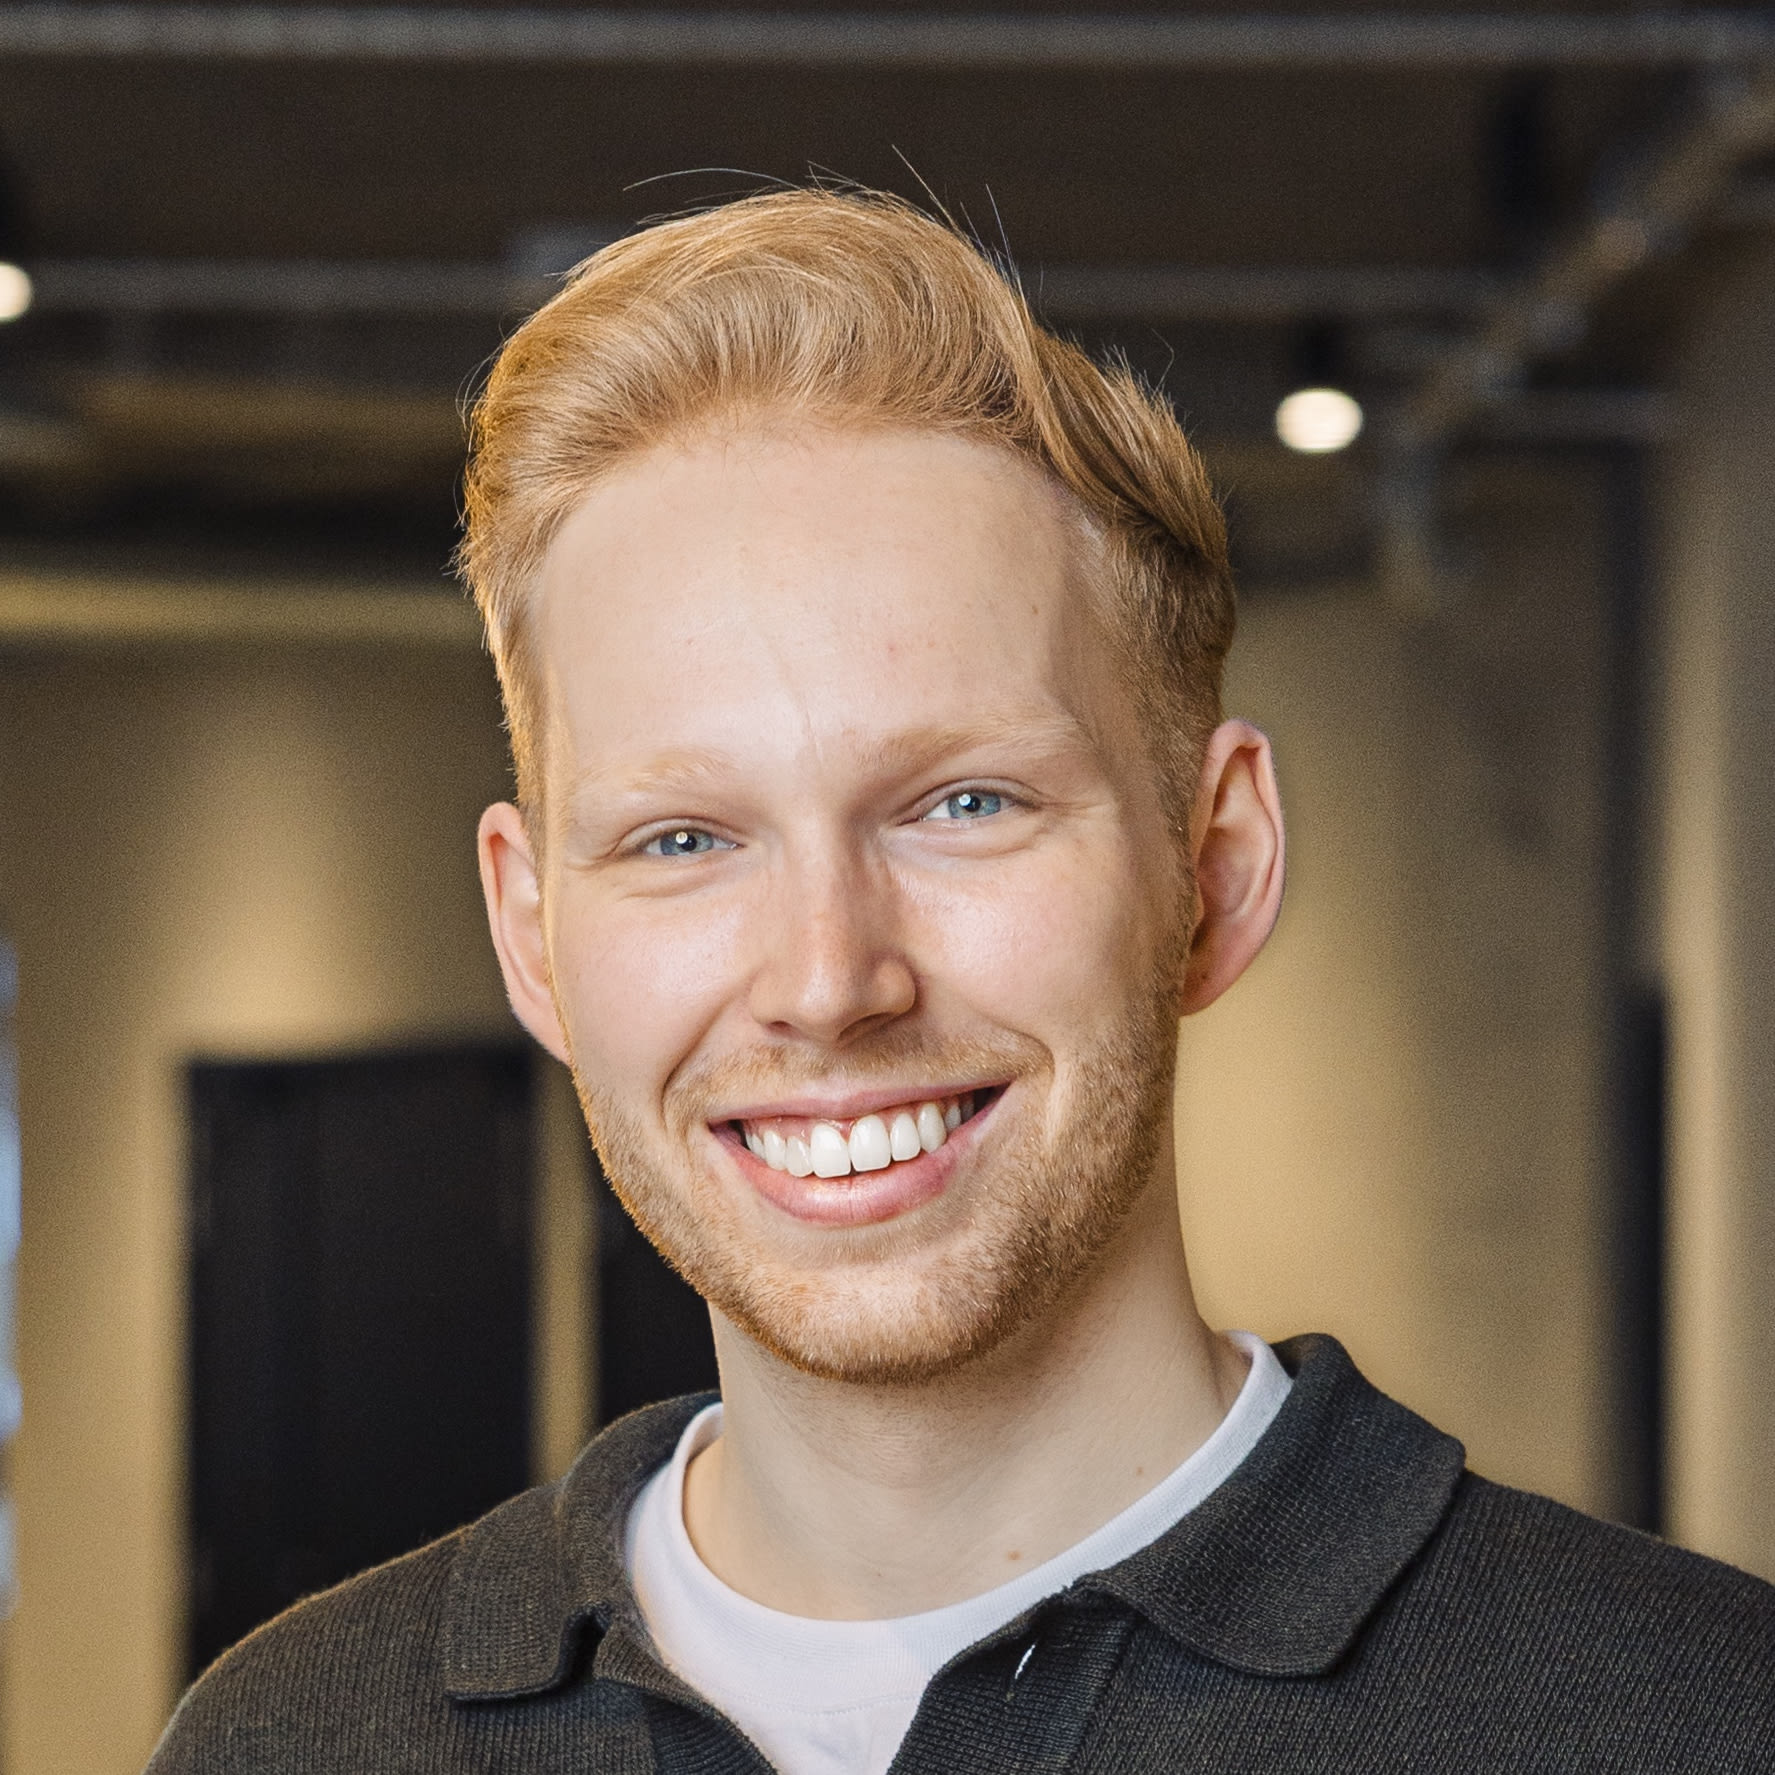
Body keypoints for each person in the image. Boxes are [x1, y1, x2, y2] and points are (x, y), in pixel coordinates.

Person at [149, 188, 1774, 1774]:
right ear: (532, 937)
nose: (829, 979)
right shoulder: (288, 1739)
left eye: (962, 806)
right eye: (682, 839)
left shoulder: (1696, 1723)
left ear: (1216, 866)